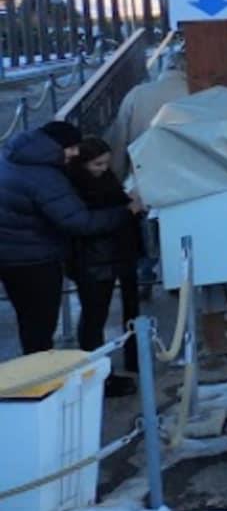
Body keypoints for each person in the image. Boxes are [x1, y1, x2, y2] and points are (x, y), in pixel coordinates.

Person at [0, 121, 141, 358]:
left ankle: (37, 370)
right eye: (72, 147)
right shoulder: (44, 176)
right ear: (55, 146)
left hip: (11, 256)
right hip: (37, 260)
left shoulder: (11, 158)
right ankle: (43, 376)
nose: (75, 153)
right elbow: (80, 222)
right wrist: (127, 212)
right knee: (41, 326)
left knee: (29, 322)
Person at [63, 139, 143, 392]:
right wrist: (128, 210)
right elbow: (89, 222)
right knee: (94, 317)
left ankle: (112, 367)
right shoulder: (74, 186)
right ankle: (97, 374)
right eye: (97, 164)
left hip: (110, 255)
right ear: (83, 163)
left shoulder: (91, 180)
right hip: (95, 259)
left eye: (106, 163)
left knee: (99, 316)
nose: (103, 168)